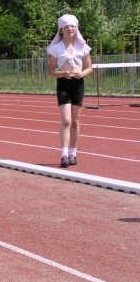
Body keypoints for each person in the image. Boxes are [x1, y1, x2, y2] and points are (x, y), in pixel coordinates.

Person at [47, 14, 93, 168]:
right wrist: (63, 74)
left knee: (75, 121)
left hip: (78, 84)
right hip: (64, 85)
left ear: (76, 28)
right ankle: (64, 154)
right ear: (61, 30)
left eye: (72, 26)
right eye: (66, 27)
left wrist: (81, 74)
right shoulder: (56, 49)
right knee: (66, 120)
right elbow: (51, 71)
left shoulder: (83, 47)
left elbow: (90, 68)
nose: (70, 29)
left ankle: (73, 153)